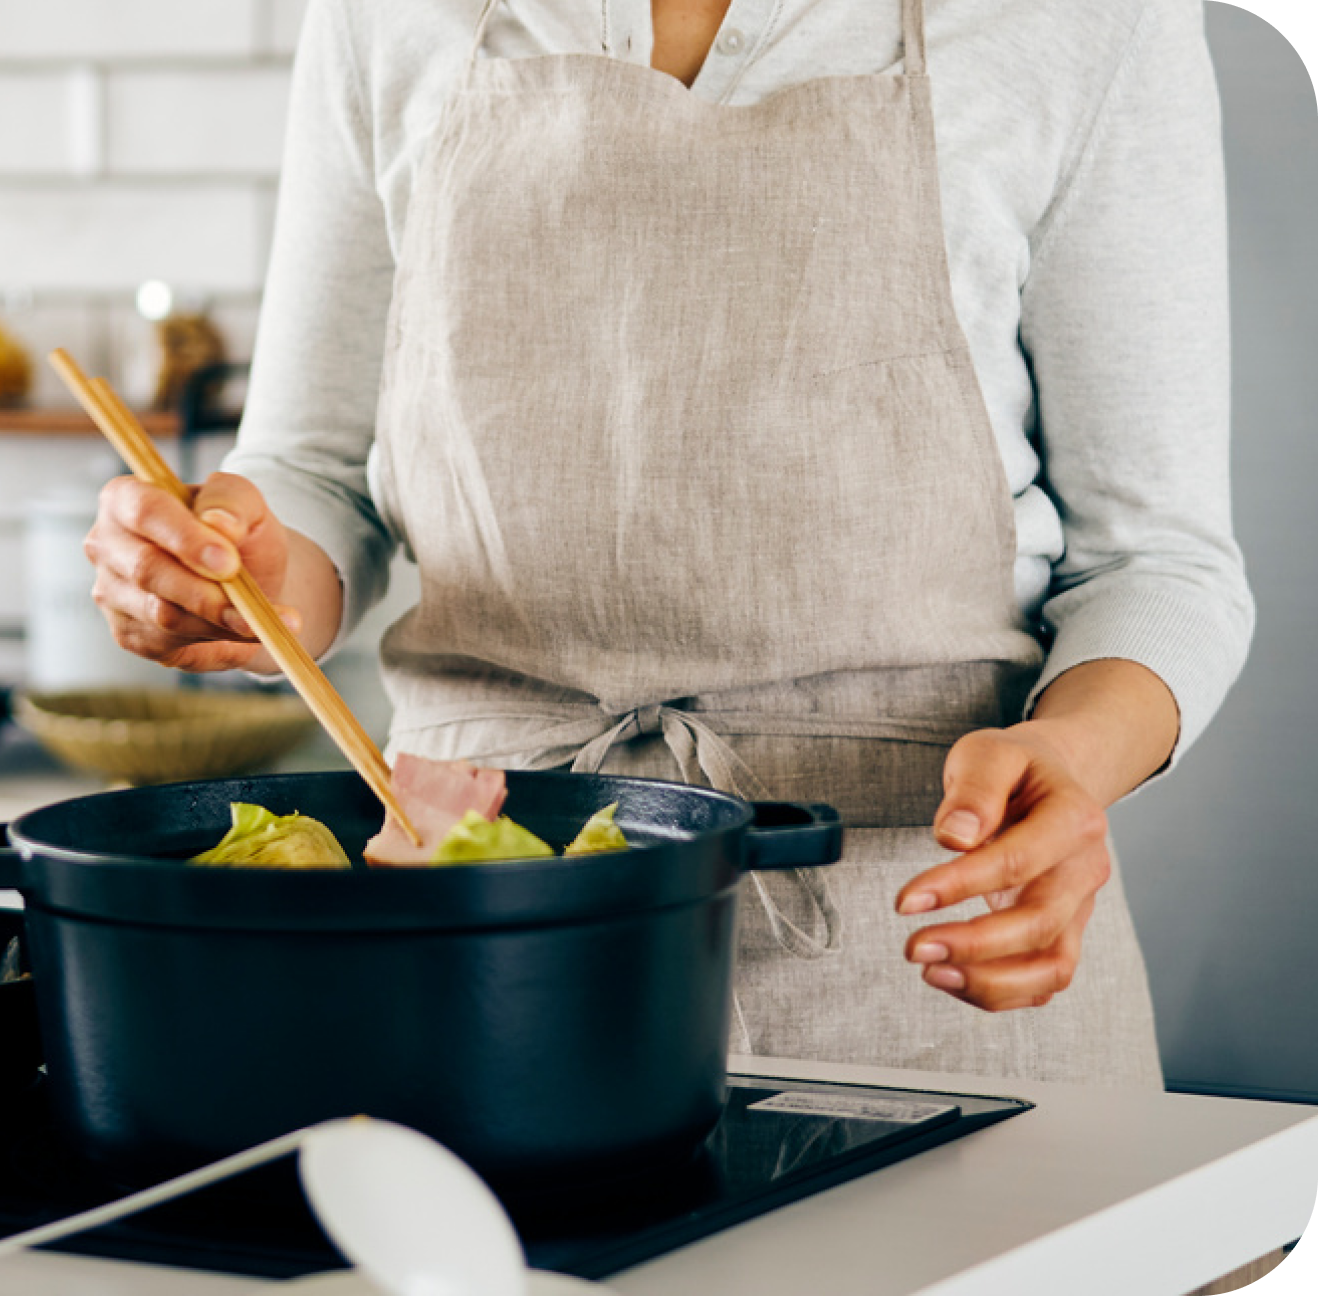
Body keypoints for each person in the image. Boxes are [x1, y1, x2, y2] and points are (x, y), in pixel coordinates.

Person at [82, 0, 1253, 1087]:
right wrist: (249, 574)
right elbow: (312, 472)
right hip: (479, 925)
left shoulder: (1093, 16)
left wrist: (1075, 756)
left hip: (934, 934)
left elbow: (1157, 563)